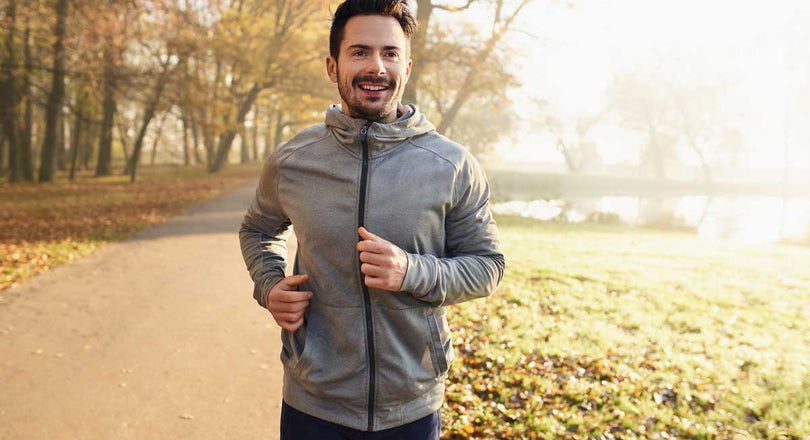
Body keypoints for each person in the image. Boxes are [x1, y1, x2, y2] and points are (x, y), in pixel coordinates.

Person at [239, 0, 504, 438]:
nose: (376, 66)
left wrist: (410, 271)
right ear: (332, 65)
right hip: (312, 404)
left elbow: (487, 267)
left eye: (390, 53)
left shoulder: (451, 165)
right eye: (360, 51)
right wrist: (269, 286)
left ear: (407, 66)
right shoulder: (293, 161)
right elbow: (258, 228)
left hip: (412, 407)